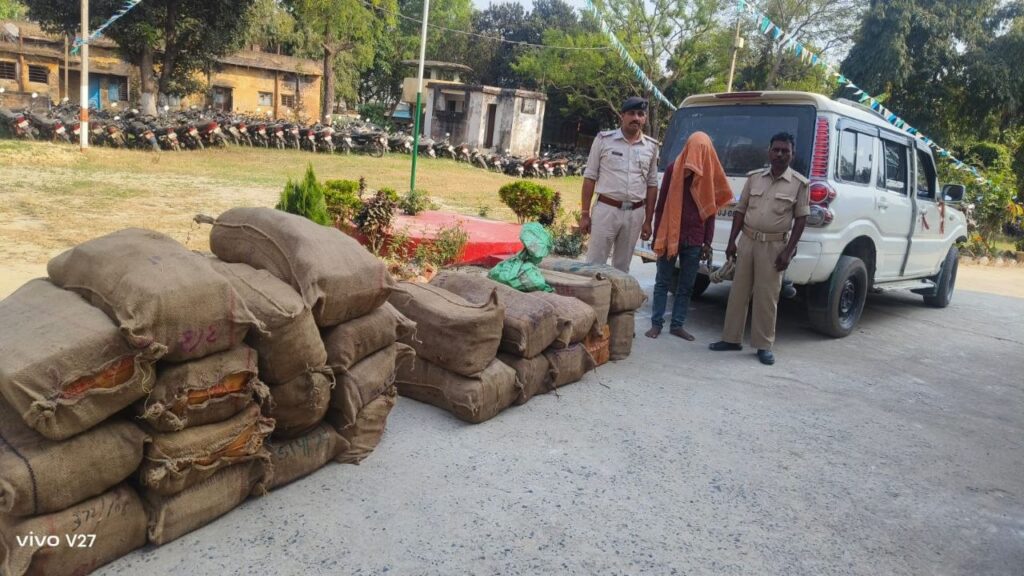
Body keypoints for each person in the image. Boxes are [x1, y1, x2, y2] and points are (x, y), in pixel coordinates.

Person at [709, 132, 809, 365]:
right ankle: (731, 339)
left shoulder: (799, 184)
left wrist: (788, 251)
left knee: (767, 297)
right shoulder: (754, 178)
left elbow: (801, 220)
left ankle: (764, 345)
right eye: (776, 149)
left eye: (786, 151)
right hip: (747, 241)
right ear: (769, 151)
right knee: (738, 292)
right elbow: (740, 211)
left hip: (774, 246)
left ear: (792, 154)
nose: (780, 154)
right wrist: (731, 242)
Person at [645, 132, 733, 341]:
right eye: (695, 150)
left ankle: (677, 325)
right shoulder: (672, 170)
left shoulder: (708, 177)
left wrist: (707, 242)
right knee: (662, 282)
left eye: (702, 151)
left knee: (687, 285)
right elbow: (661, 205)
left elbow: (711, 211)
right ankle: (656, 324)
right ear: (688, 148)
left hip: (695, 238)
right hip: (669, 235)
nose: (697, 155)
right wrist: (658, 235)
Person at [578, 97, 660, 273]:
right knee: (594, 264)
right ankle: (591, 301)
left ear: (645, 119)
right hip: (607, 210)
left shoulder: (651, 147)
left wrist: (648, 220)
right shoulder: (603, 140)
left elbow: (652, 184)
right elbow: (590, 177)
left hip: (635, 213)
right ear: (622, 116)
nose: (636, 118)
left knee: (622, 269)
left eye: (640, 114)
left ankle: (614, 301)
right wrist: (585, 213)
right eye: (631, 113)